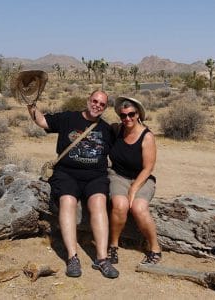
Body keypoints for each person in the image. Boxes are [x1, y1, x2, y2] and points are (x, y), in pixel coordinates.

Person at [27, 90, 119, 279]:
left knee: (99, 203)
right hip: (67, 174)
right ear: (88, 100)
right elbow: (42, 121)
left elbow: (124, 148)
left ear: (105, 108)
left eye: (102, 104)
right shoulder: (68, 118)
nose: (97, 106)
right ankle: (72, 258)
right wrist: (31, 105)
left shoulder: (106, 129)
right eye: (95, 101)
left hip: (95, 176)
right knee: (67, 201)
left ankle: (102, 259)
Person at [107, 96, 162, 265]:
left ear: (138, 114)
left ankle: (155, 248)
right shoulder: (116, 130)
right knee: (120, 205)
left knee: (138, 207)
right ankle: (113, 246)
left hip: (142, 178)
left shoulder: (147, 136)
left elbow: (148, 168)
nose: (127, 118)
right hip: (118, 176)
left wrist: (133, 190)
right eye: (123, 115)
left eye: (131, 114)